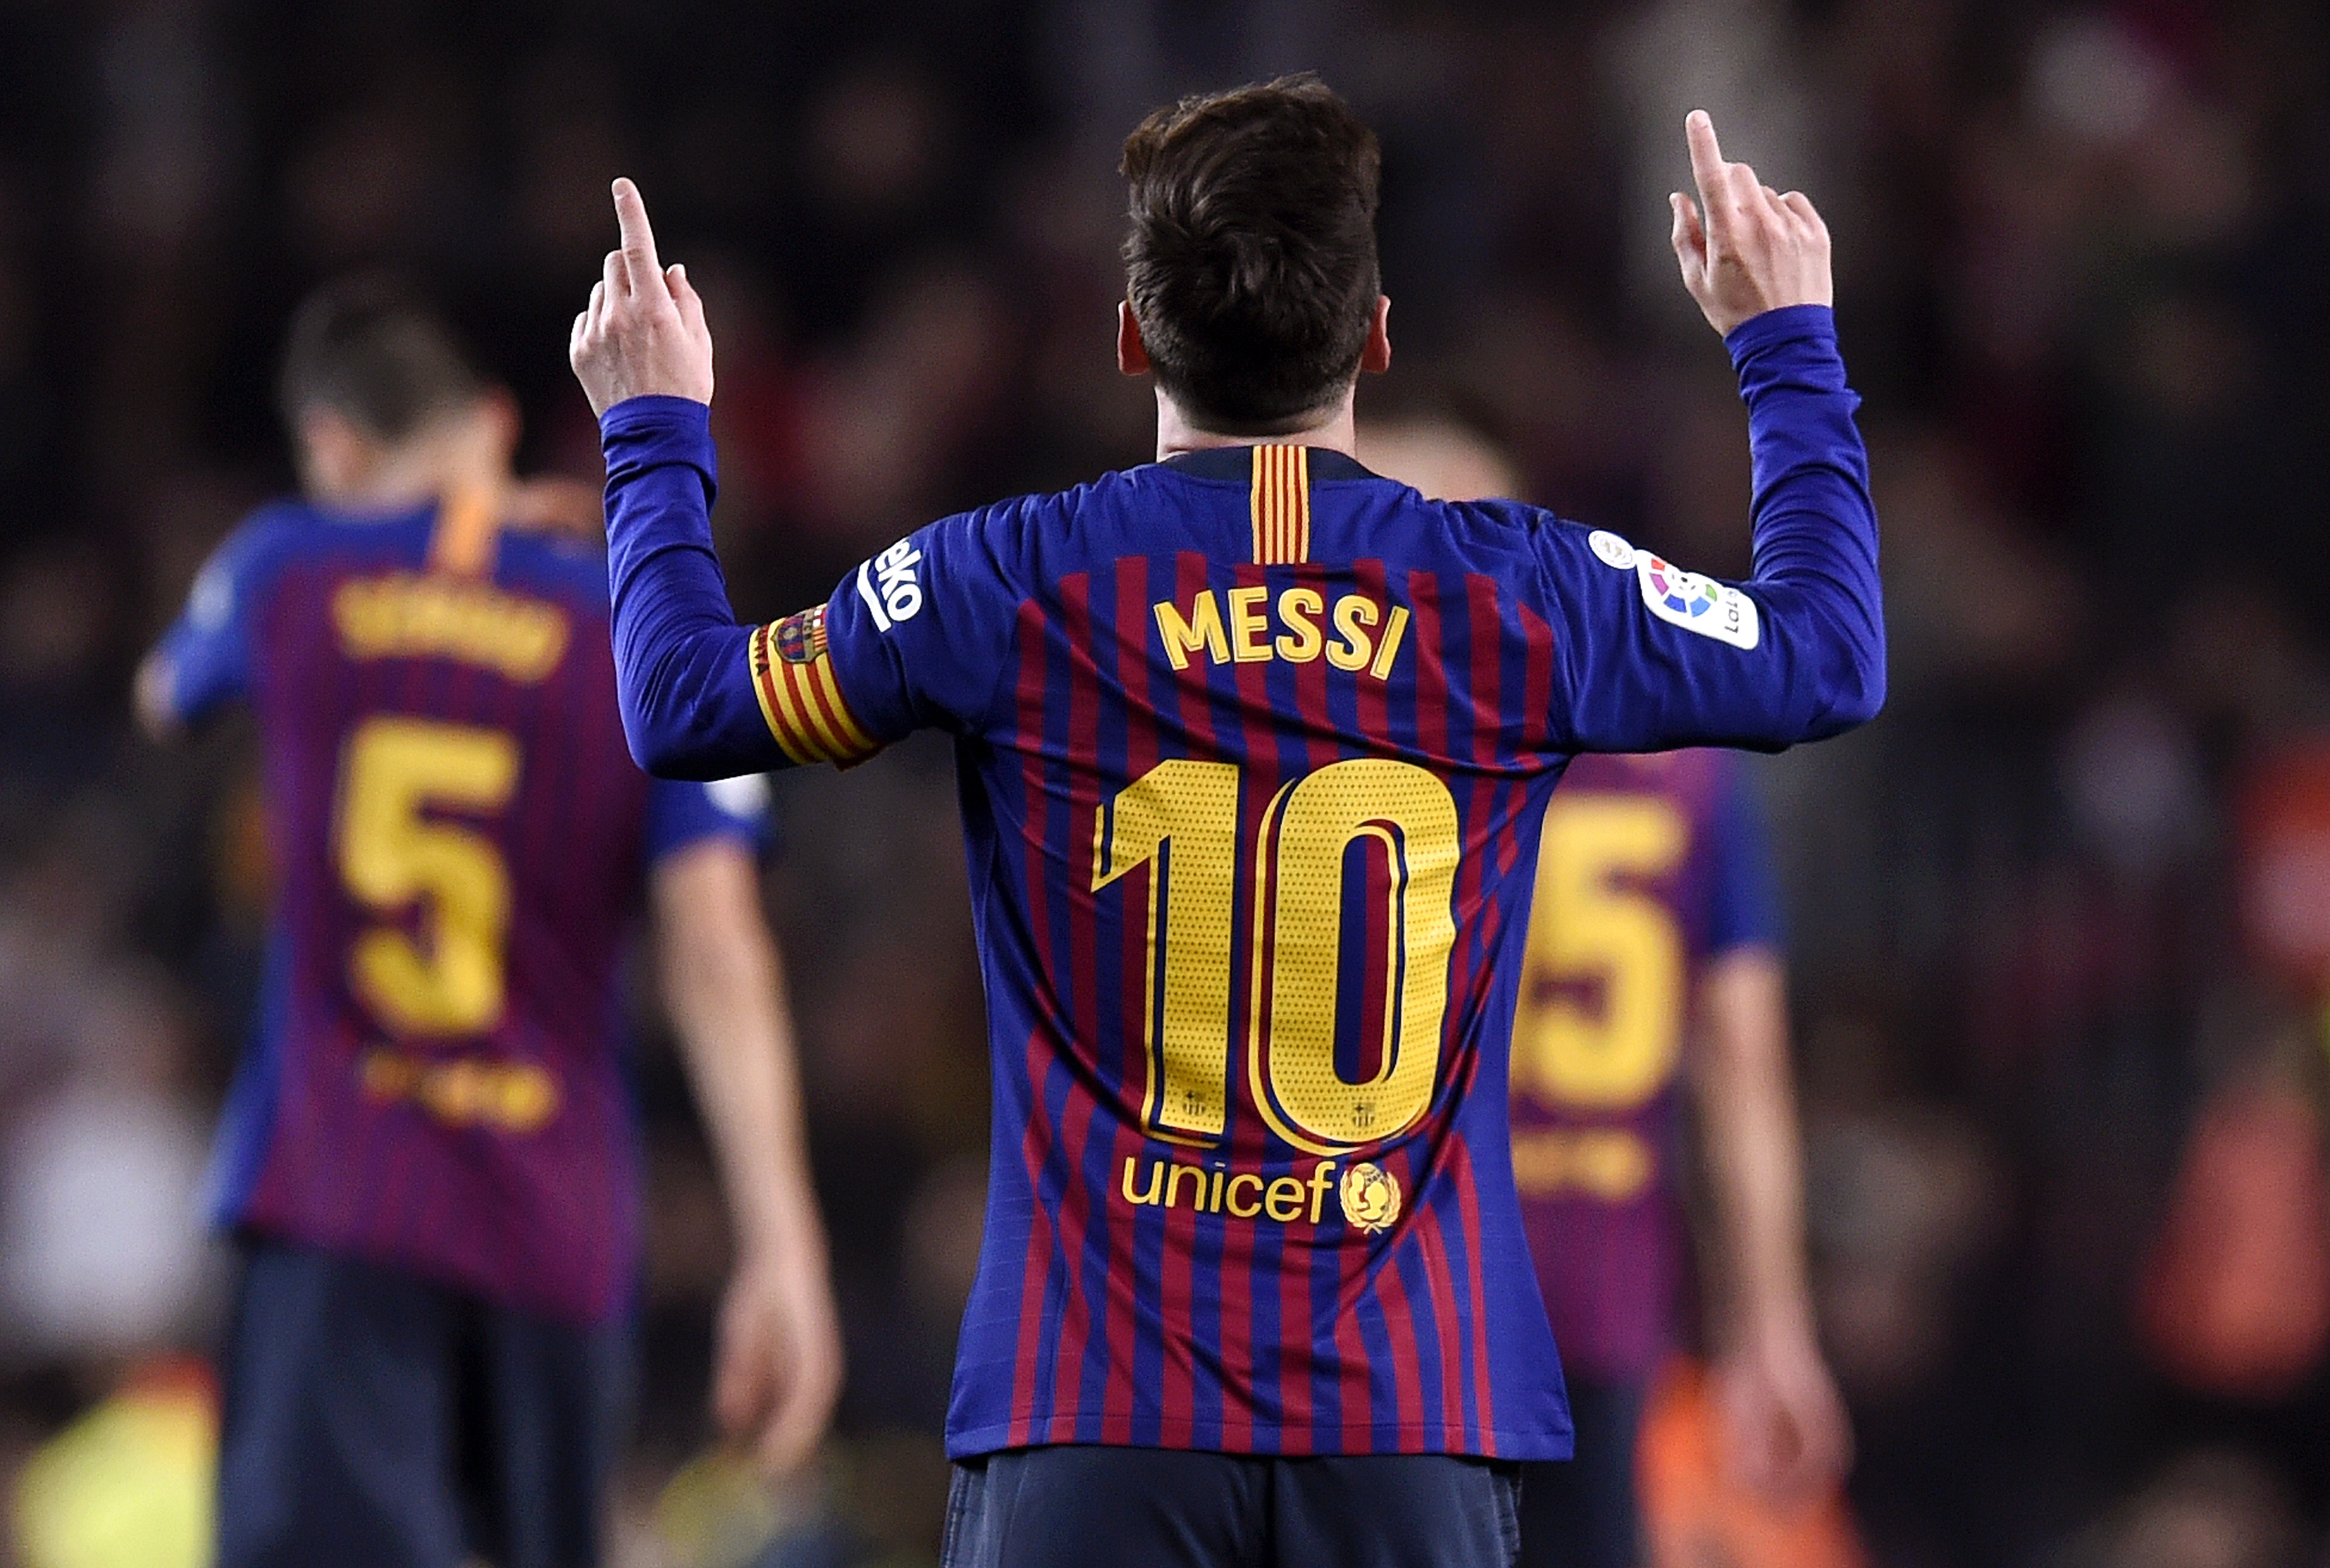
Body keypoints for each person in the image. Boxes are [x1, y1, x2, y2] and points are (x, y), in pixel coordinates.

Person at [573, 76, 1881, 1568]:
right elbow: (1827, 655)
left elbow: (685, 707)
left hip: (1092, 1414)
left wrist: (654, 431)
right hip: (1412, 1412)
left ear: (1130, 335)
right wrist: (1784, 344)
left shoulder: (1011, 581)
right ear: (1377, 340)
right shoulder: (1523, 595)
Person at [135, 279, 842, 1568]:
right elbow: (720, 944)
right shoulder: (626, 628)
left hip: (339, 1202)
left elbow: (164, 695)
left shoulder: (290, 566)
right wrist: (782, 1246)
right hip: (552, 1229)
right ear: (500, 423)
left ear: (338, 448)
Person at [1358, 422, 1852, 1568]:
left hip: (1383, 1294)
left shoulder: (1350, 755)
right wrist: (1769, 1322)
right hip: (1592, 1298)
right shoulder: (1679, 762)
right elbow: (1741, 1058)